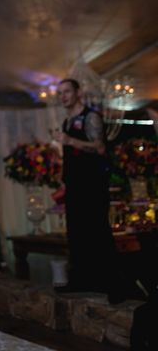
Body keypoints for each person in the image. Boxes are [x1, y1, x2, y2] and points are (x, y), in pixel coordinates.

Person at [53, 79, 122, 301]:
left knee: (98, 231)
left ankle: (113, 285)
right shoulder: (67, 121)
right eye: (60, 93)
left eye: (66, 92)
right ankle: (83, 280)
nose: (63, 96)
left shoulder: (90, 117)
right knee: (77, 233)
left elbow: (100, 147)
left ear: (78, 93)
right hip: (74, 186)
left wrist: (71, 140)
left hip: (92, 185)